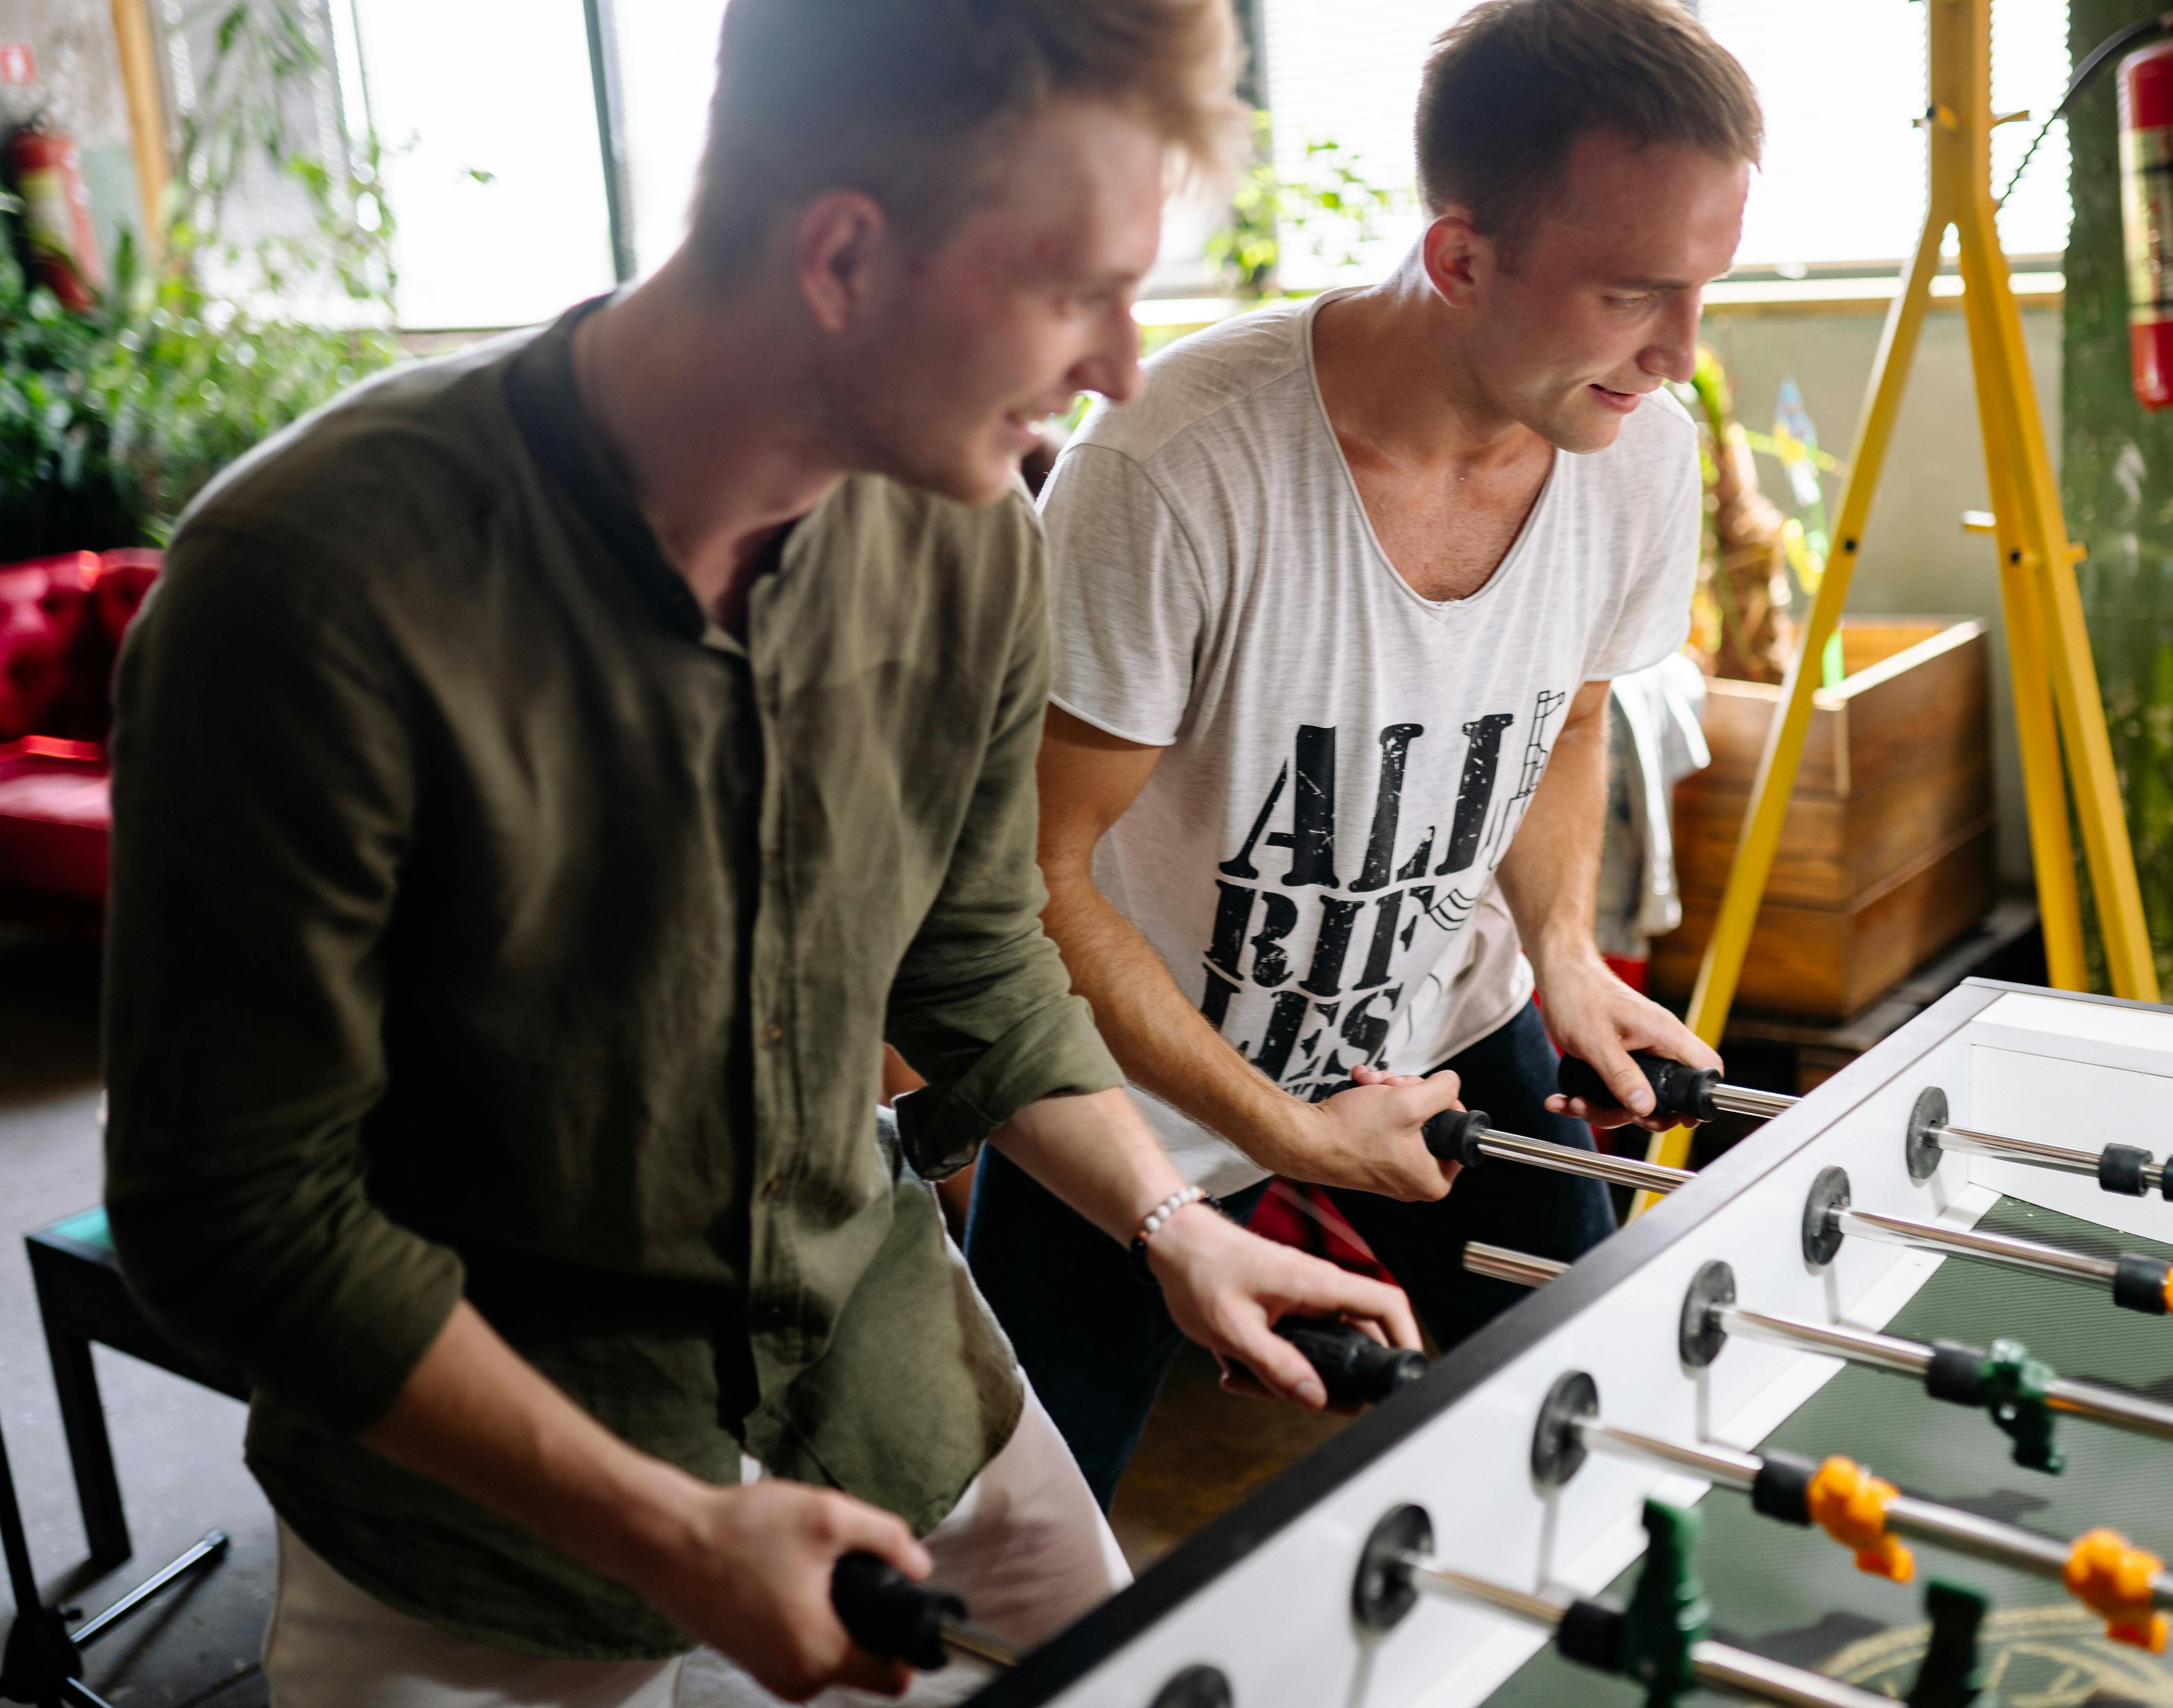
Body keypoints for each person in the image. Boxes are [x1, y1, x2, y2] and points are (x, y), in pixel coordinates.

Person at [100, 3, 1418, 1703]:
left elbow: (974, 948)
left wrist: (1171, 1219)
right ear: (844, 257)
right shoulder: (308, 588)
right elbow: (236, 1212)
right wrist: (666, 1529)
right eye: (1076, 286)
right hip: (478, 1528)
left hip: (890, 1379)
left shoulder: (970, 534)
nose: (1120, 365)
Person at [968, 0, 1762, 1506]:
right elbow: (1037, 877)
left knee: (1589, 1425)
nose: (1678, 353)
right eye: (1634, 296)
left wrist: (1567, 954)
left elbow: (1570, 712)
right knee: (1014, 1526)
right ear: (1463, 260)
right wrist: (1288, 1138)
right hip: (1128, 1088)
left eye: (1703, 291)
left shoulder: (1631, 444)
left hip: (1443, 1019)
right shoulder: (1180, 464)